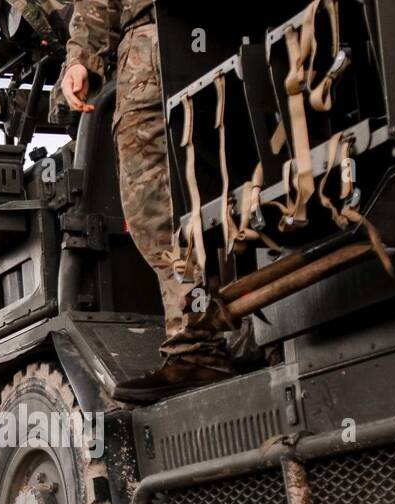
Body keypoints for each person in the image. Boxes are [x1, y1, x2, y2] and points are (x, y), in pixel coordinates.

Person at [61, 0, 233, 394]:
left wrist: (81, 58)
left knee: (155, 203)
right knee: (231, 180)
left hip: (157, 44)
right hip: (227, 33)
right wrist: (81, 59)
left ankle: (199, 347)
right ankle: (227, 330)